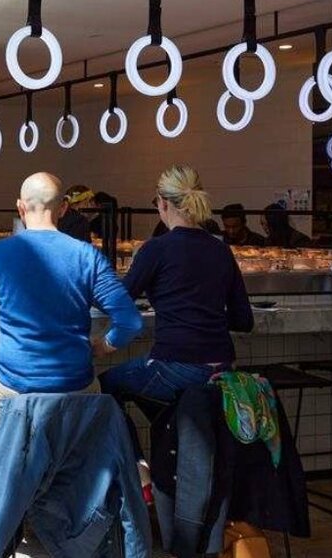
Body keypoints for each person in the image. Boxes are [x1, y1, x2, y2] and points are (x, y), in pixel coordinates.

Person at [99, 165, 254, 495]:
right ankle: (171, 445)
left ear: (163, 204)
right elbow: (244, 320)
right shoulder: (221, 250)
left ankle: (140, 470)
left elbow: (120, 302)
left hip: (176, 365)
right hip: (223, 370)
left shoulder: (156, 249)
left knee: (105, 387)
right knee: (164, 403)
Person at [0, 173, 142, 407]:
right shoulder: (88, 255)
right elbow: (130, 321)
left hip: (15, 382)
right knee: (92, 392)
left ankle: (2, 441)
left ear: (20, 207)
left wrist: (14, 330)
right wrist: (102, 346)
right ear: (64, 208)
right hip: (78, 383)